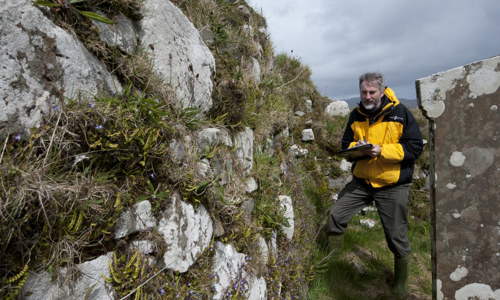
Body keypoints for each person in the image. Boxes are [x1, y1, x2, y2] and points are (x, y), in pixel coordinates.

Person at [327, 72, 423, 294]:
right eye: (363, 92)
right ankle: (335, 264)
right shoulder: (356, 114)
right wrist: (356, 148)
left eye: (372, 92)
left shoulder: (400, 114)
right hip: (362, 181)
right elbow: (344, 145)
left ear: (381, 91)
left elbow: (415, 148)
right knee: (335, 216)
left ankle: (400, 285)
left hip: (392, 184)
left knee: (396, 235)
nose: (367, 96)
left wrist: (382, 151)